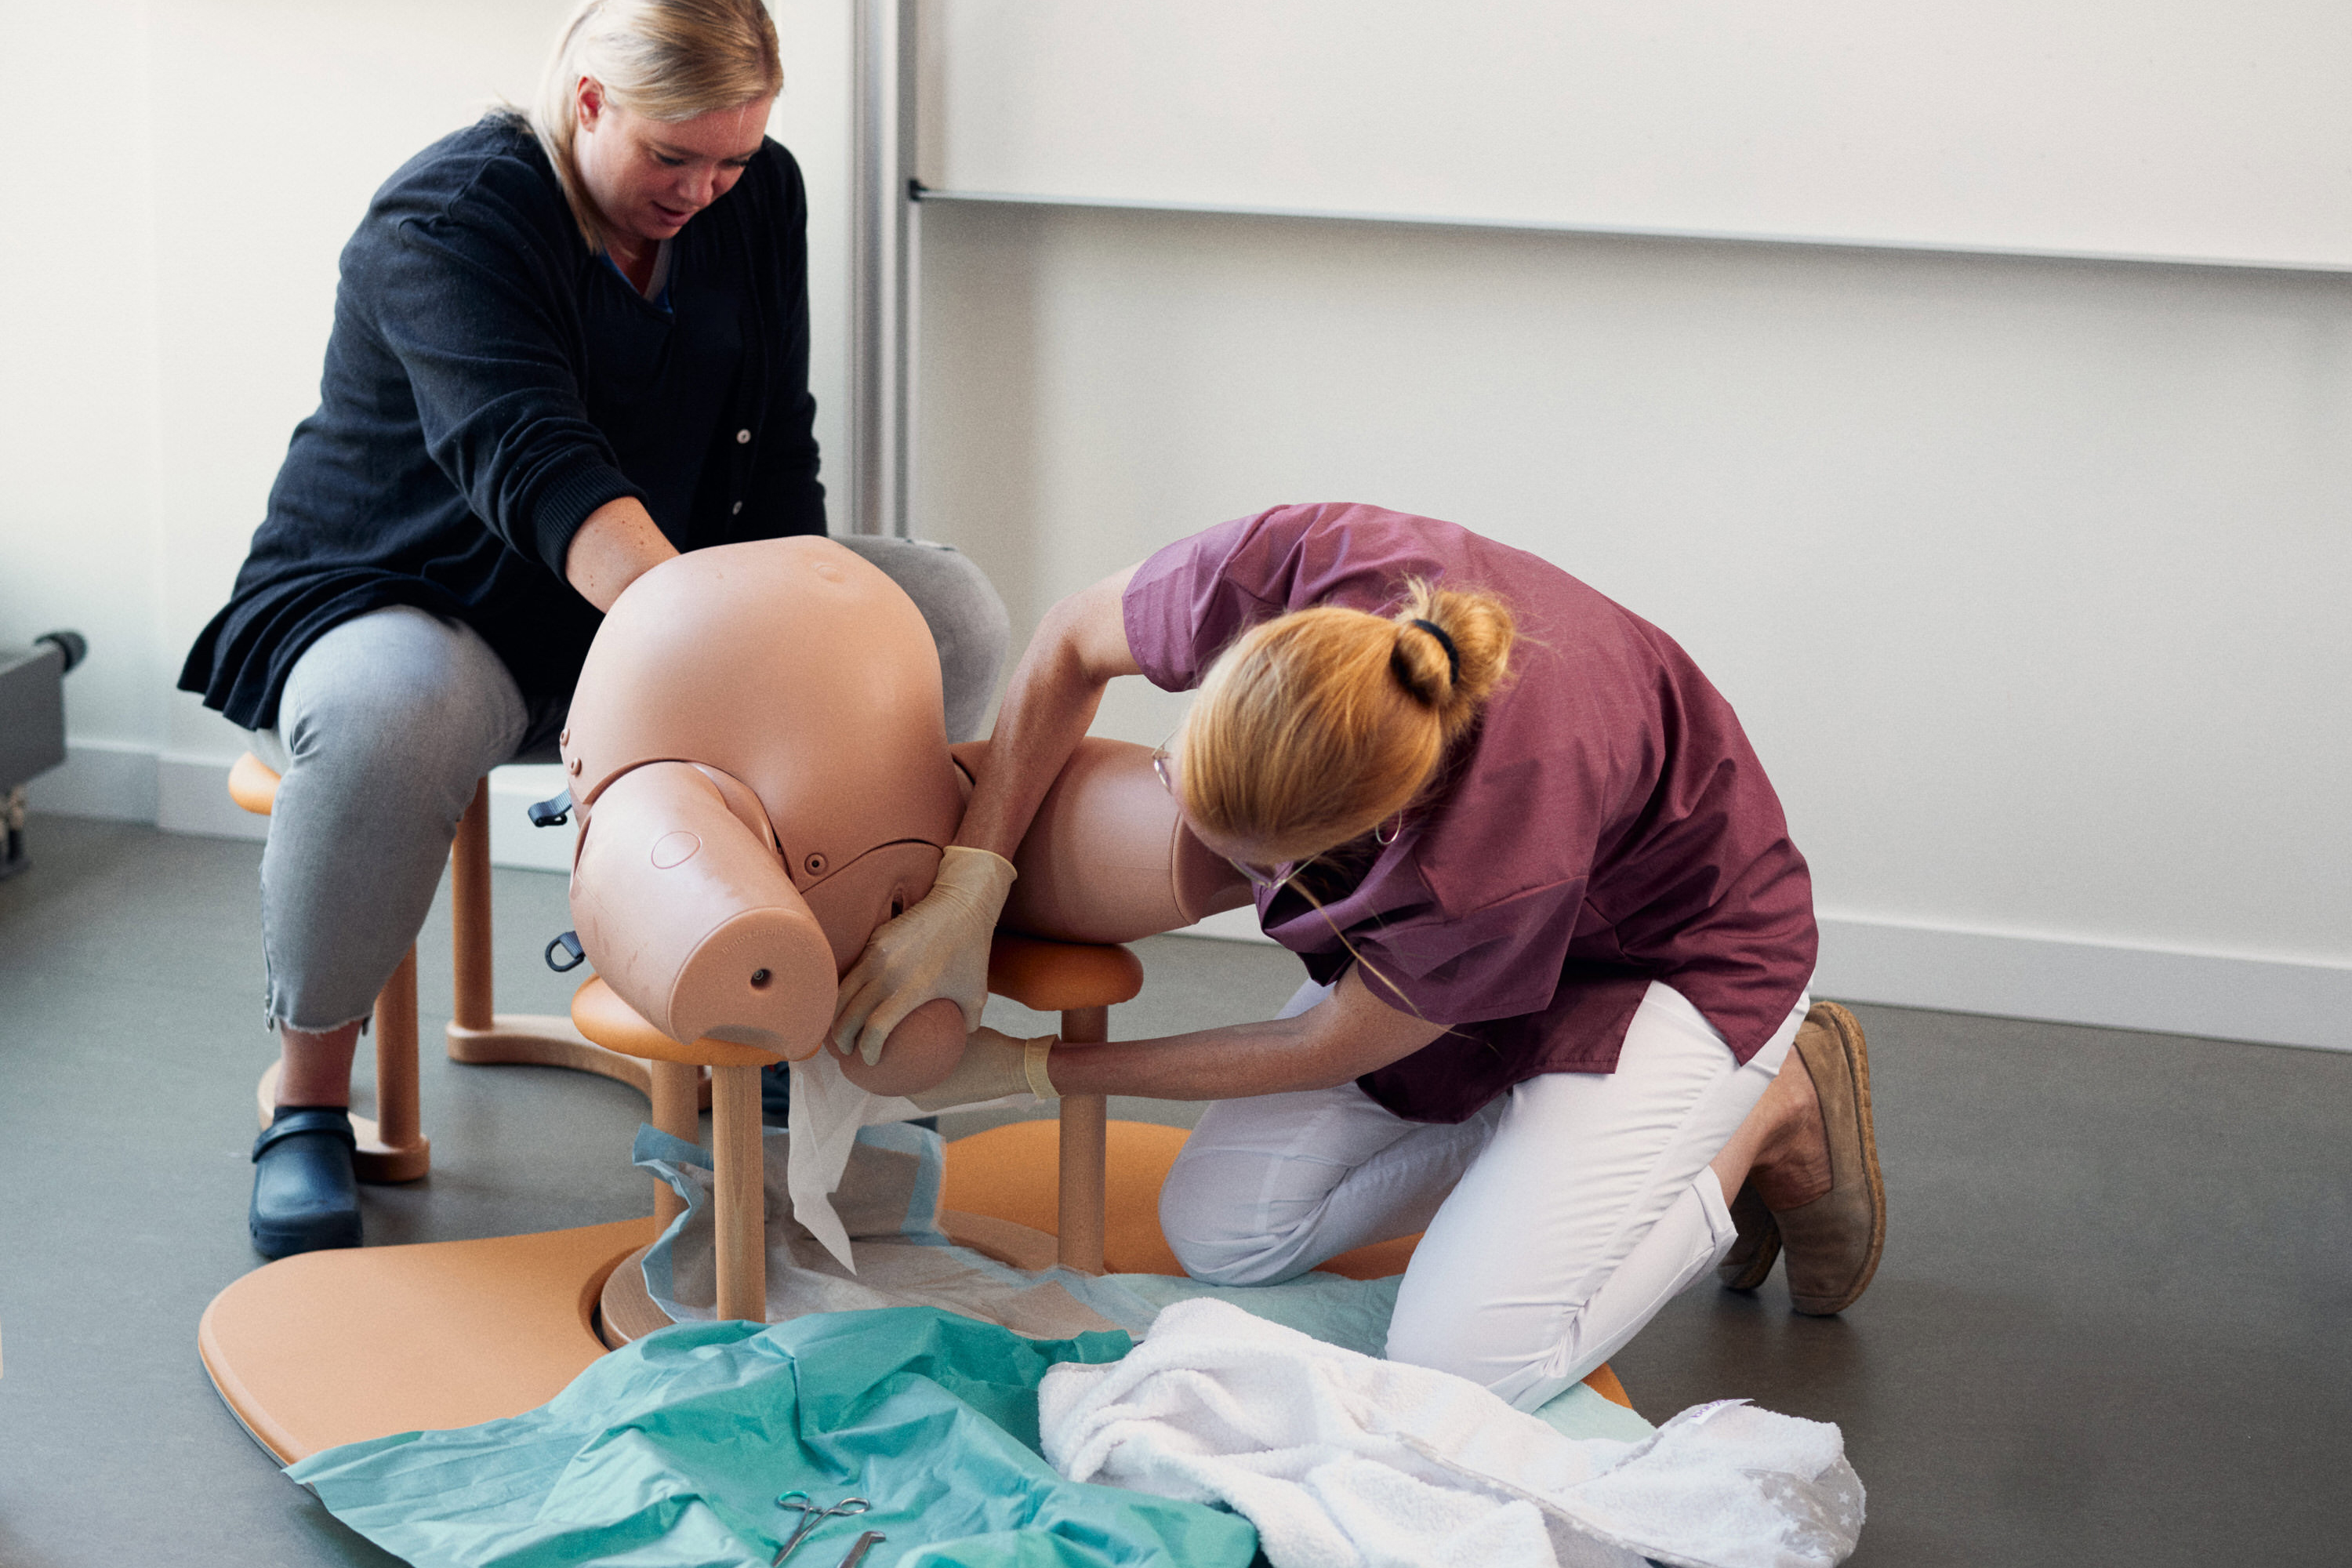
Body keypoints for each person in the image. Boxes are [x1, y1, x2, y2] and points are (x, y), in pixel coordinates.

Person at [180, 0, 1007, 1260]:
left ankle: (805, 1005)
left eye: (732, 159)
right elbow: (535, 465)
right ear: (586, 103)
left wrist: (805, 610)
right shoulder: (451, 219)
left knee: (941, 613)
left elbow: (771, 440)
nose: (704, 189)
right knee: (387, 717)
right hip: (419, 594)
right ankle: (306, 1103)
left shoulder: (755, 195)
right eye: (673, 156)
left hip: (650, 596)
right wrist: (733, 668)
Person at [831, 501, 1883, 1408]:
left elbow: (1328, 1045)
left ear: (1367, 834)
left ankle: (1766, 1107)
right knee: (1223, 1236)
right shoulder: (1299, 563)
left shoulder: (1481, 855)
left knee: (1466, 1362)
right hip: (1483, 961)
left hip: (1678, 958)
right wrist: (975, 878)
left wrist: (1035, 1068)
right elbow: (1071, 639)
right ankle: (1554, 1150)